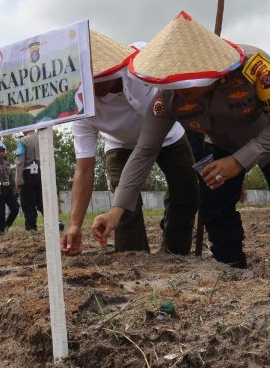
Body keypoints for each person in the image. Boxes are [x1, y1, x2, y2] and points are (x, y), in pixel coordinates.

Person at [91, 11, 270, 267]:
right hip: (220, 143)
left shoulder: (254, 65)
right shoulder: (166, 98)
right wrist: (116, 210)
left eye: (188, 82)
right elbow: (145, 151)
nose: (181, 92)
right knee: (214, 205)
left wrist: (239, 161)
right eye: (173, 83)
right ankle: (230, 266)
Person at [60, 30, 198, 256]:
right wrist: (75, 224)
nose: (94, 88)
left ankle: (174, 255)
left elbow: (181, 85)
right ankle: (133, 260)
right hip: (120, 144)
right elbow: (84, 169)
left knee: (187, 193)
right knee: (125, 207)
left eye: (100, 78)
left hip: (168, 135)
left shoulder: (143, 58)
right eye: (88, 82)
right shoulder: (81, 108)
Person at [15, 129, 43, 230]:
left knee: (28, 202)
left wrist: (18, 181)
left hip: (27, 173)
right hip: (41, 172)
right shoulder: (42, 137)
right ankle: (55, 223)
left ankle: (31, 227)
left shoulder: (23, 140)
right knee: (42, 200)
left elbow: (19, 162)